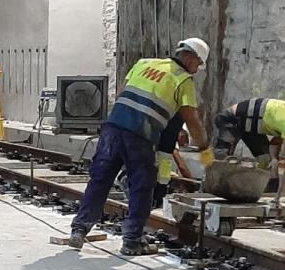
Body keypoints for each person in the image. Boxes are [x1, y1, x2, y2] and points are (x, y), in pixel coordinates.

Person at [69, 38, 214, 255]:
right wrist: (205, 151)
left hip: (113, 128)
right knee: (141, 187)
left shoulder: (144, 63)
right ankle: (132, 241)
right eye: (198, 64)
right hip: (140, 134)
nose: (197, 70)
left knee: (99, 180)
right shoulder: (184, 81)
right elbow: (192, 121)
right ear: (190, 57)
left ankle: (79, 231)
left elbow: (124, 93)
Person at [213, 98, 285, 174]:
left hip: (253, 127)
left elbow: (276, 142)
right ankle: (211, 181)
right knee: (221, 158)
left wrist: (274, 158)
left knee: (266, 160)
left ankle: (264, 184)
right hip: (232, 118)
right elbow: (283, 156)